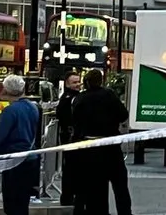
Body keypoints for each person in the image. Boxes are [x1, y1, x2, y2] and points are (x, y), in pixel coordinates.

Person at [72, 69, 131, 215]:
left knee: (96, 184)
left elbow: (75, 120)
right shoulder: (109, 95)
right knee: (120, 184)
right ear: (101, 80)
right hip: (110, 144)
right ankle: (124, 211)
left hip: (89, 147)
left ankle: (98, 210)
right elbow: (123, 114)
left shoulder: (81, 98)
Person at [0, 75, 39, 215]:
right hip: (29, 158)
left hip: (13, 160)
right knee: (23, 201)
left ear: (7, 90)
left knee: (12, 203)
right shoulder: (33, 107)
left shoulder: (10, 110)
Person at [55, 71, 81, 206]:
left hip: (72, 137)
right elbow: (64, 117)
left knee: (73, 169)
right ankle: (68, 197)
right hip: (71, 138)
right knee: (70, 169)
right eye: (74, 82)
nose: (77, 84)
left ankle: (70, 196)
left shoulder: (75, 97)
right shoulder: (67, 98)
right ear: (67, 83)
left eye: (78, 81)